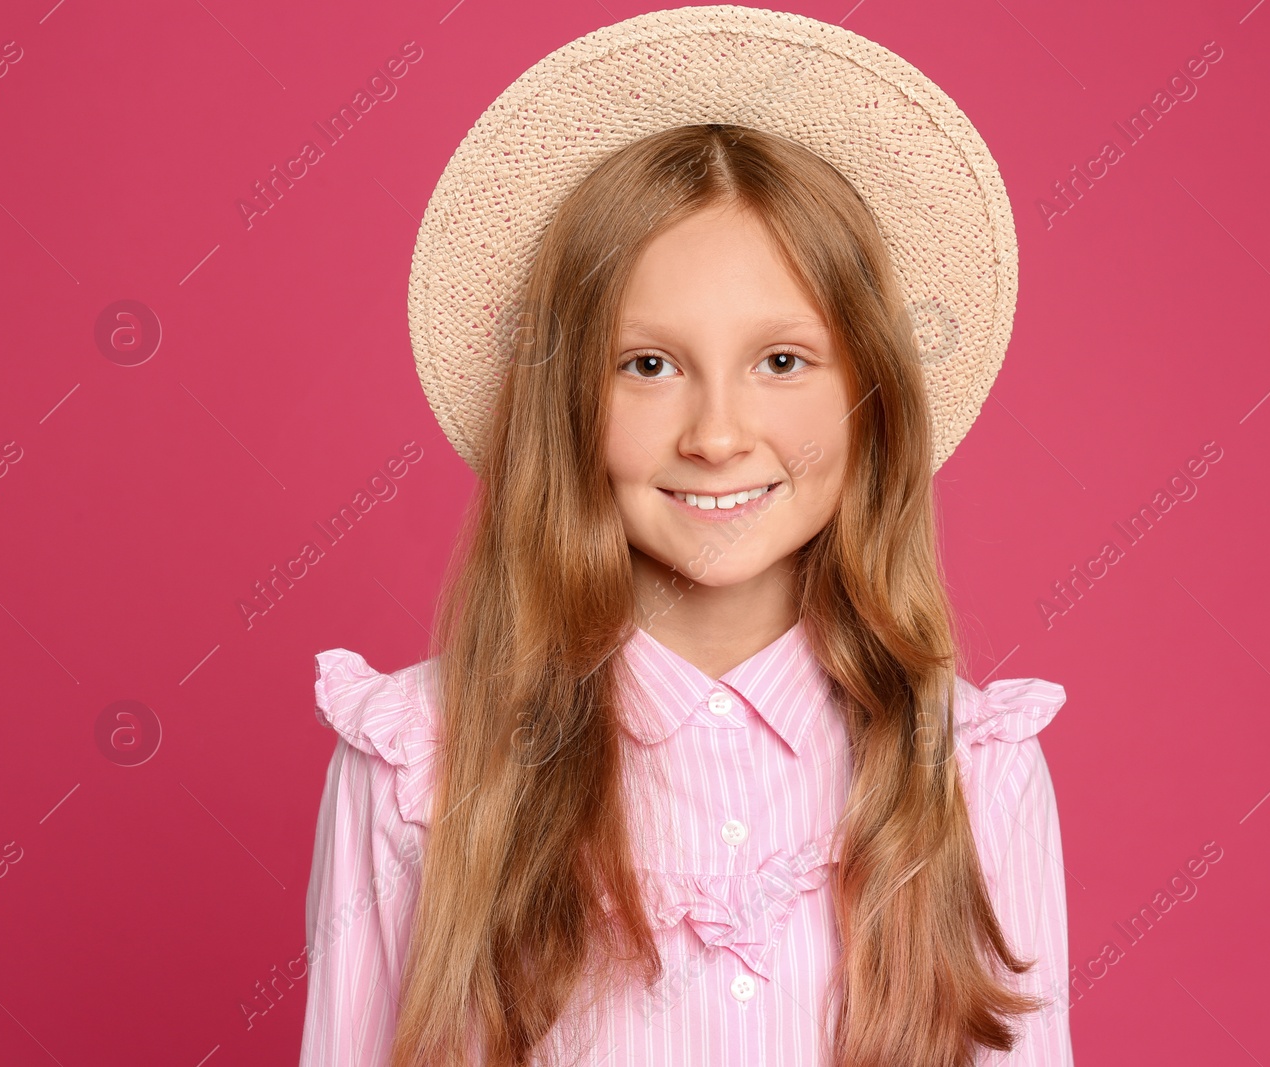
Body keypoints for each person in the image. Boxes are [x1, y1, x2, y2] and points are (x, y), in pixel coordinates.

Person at [300, 8, 1071, 1066]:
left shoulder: (971, 771)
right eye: (647, 365)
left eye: (783, 361)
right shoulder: (419, 762)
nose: (715, 435)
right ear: (567, 402)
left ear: (871, 398)